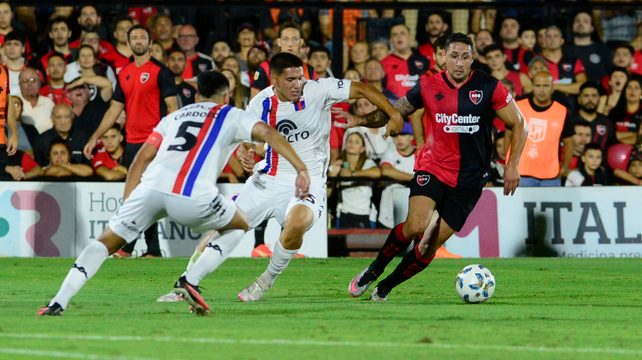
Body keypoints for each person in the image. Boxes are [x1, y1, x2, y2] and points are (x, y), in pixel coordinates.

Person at [37, 70, 310, 316]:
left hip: (150, 190)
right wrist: (300, 168)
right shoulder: (232, 114)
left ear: (197, 93)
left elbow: (141, 159)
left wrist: (127, 203)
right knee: (239, 224)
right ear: (226, 95)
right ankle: (190, 281)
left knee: (104, 242)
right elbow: (270, 134)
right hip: (193, 195)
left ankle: (58, 302)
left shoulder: (174, 117)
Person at [157, 52, 403, 305]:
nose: (298, 84)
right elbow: (249, 144)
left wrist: (393, 114)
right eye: (290, 79)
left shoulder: (319, 89)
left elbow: (362, 89)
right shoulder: (260, 103)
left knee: (298, 222)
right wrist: (249, 154)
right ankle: (183, 284)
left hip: (309, 182)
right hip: (267, 180)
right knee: (221, 226)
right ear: (274, 79)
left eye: (300, 77)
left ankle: (265, 281)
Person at [341, 33, 526, 301]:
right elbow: (395, 111)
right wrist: (359, 120)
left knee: (428, 245)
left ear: (473, 58)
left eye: (465, 56)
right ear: (442, 58)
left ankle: (386, 286)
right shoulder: (427, 85)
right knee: (416, 226)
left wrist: (512, 165)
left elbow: (519, 123)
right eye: (453, 56)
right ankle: (374, 269)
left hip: (470, 181)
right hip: (433, 168)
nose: (459, 63)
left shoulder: (490, 86)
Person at [84, 24, 178, 259]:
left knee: (140, 195)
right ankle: (151, 250)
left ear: (149, 43)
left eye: (142, 37)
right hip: (132, 144)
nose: (138, 40)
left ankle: (129, 247)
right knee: (141, 195)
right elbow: (114, 110)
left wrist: (172, 141)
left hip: (154, 142)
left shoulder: (161, 71)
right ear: (128, 43)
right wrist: (95, 137)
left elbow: (174, 109)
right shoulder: (124, 73)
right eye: (134, 37)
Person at [514, 71, 574, 187]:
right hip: (521, 173)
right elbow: (508, 135)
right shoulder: (519, 107)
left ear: (552, 88)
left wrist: (565, 168)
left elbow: (569, 143)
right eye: (538, 85)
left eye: (546, 86)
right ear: (532, 87)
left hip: (551, 176)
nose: (542, 90)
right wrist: (510, 163)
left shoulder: (561, 111)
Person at [250, 22, 317, 100]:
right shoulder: (266, 67)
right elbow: (254, 102)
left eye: (295, 39)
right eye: (285, 39)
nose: (290, 44)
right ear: (279, 42)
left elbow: (315, 101)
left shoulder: (309, 70)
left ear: (301, 42)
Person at [329, 132, 381, 228]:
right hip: (344, 213)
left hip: (366, 214)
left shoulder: (368, 163)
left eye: (357, 142)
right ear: (344, 145)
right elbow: (327, 193)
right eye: (349, 141)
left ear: (362, 149)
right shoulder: (339, 164)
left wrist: (352, 174)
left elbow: (377, 173)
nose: (352, 144)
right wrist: (332, 176)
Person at [377, 122, 415, 229]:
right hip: (388, 214)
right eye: (395, 135)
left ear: (411, 136)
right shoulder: (390, 152)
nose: (399, 139)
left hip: (411, 213)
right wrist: (414, 178)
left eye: (403, 135)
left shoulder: (419, 154)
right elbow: (386, 171)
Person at [381, 24, 431, 100]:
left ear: (410, 37)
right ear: (391, 40)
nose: (399, 37)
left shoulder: (424, 61)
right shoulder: (383, 64)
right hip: (394, 109)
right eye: (395, 35)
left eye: (402, 33)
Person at [564, 12, 614, 85]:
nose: (580, 23)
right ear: (572, 26)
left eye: (585, 21)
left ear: (592, 28)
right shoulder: (564, 49)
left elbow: (611, 72)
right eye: (577, 21)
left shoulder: (602, 49)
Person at [542, 26, 587, 96]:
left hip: (570, 106)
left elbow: (583, 86)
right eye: (549, 36)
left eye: (555, 36)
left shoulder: (574, 61)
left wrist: (555, 86)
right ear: (544, 41)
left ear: (562, 41)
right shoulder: (538, 62)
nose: (552, 39)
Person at [573, 82, 616, 153]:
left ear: (599, 99)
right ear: (579, 99)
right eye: (586, 96)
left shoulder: (608, 123)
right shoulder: (569, 121)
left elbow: (613, 148)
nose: (590, 99)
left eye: (594, 96)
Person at [18, 68, 55, 135]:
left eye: (33, 80)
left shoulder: (48, 102)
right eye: (25, 81)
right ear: (20, 85)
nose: (30, 84)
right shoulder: (14, 103)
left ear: (39, 83)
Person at [608, 78, 642, 145]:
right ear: (625, 91)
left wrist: (618, 136)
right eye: (629, 88)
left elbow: (640, 138)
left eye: (637, 88)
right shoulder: (614, 112)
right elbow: (609, 135)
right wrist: (633, 134)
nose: (632, 91)